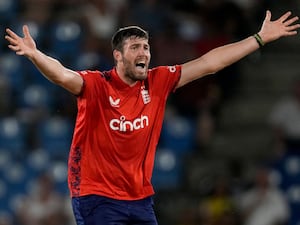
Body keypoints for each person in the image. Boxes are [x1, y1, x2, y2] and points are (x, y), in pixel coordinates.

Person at [5, 10, 300, 225]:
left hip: (140, 198)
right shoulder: (96, 85)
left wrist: (259, 38)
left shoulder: (158, 81)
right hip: (97, 196)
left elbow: (209, 63)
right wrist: (35, 54)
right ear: (118, 56)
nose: (143, 51)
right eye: (135, 47)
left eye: (145, 47)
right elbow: (61, 74)